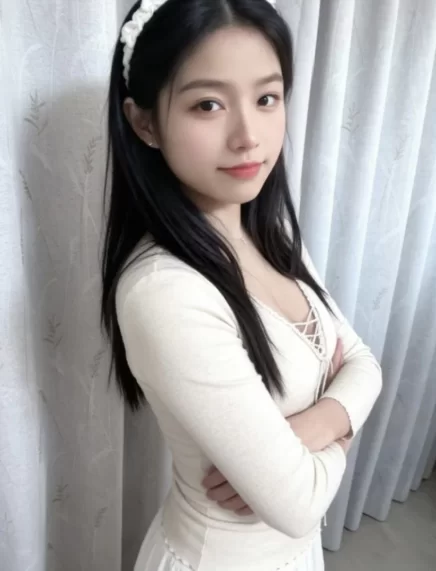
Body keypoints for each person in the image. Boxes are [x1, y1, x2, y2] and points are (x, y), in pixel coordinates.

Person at [100, 0, 383, 569]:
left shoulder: (272, 231)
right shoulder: (165, 292)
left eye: (266, 98)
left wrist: (323, 424)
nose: (249, 136)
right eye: (208, 104)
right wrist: (348, 422)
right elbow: (299, 502)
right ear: (144, 122)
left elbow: (365, 362)